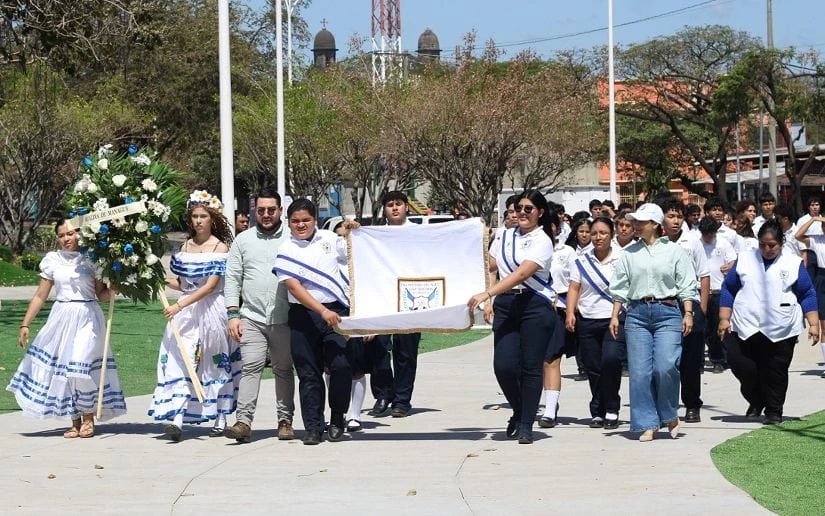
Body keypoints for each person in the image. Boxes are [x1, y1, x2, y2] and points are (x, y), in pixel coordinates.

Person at [7, 220, 126, 438]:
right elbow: (40, 295)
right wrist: (25, 323)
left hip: (88, 316)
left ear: (81, 234)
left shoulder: (93, 259)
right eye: (62, 235)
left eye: (70, 233)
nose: (66, 238)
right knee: (63, 369)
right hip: (61, 317)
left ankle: (89, 416)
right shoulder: (53, 260)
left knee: (79, 365)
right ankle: (75, 420)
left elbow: (101, 295)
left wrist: (114, 288)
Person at [468, 190, 560, 444]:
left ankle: (527, 424)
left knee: (531, 367)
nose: (521, 213)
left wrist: (487, 293)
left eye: (528, 209)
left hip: (534, 304)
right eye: (518, 208)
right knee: (504, 365)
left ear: (540, 213)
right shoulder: (504, 236)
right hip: (507, 303)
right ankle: (519, 411)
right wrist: (491, 300)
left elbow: (521, 275)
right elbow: (491, 267)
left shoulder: (543, 240)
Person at [149, 192, 239, 442]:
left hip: (211, 310)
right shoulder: (185, 246)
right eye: (195, 216)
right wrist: (152, 275)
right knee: (180, 357)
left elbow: (211, 285)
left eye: (204, 216)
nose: (199, 221)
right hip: (185, 311)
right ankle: (176, 418)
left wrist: (181, 306)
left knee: (214, 362)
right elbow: (180, 283)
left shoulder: (220, 248)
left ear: (213, 219)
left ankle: (220, 416)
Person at [608, 203, 697, 442]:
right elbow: (620, 287)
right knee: (639, 372)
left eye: (641, 222)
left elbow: (687, 283)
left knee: (666, 366)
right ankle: (647, 422)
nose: (635, 225)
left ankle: (669, 414)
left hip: (667, 311)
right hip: (636, 313)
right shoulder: (629, 253)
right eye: (634, 221)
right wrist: (615, 315)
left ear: (655, 225)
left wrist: (688, 313)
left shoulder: (674, 251)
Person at [719, 221, 819, 424]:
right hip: (746, 324)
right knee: (740, 364)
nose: (767, 249)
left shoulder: (793, 262)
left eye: (772, 245)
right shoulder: (745, 259)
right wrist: (723, 318)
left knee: (776, 369)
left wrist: (814, 323)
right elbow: (729, 288)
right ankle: (756, 399)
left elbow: (807, 293)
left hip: (781, 326)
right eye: (762, 245)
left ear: (781, 243)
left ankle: (774, 411)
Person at [273, 198, 354, 445]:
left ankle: (338, 417)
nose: (301, 225)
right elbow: (294, 288)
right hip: (304, 315)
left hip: (336, 311)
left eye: (306, 220)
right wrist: (321, 312)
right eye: (295, 221)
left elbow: (354, 252)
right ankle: (313, 426)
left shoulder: (330, 239)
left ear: (314, 220)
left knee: (341, 366)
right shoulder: (286, 249)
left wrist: (355, 231)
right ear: (288, 223)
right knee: (309, 373)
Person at [223, 189, 296, 443]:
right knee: (251, 368)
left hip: (284, 318)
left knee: (283, 369)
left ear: (280, 211)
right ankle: (243, 422)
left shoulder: (292, 237)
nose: (266, 215)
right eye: (261, 210)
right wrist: (233, 313)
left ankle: (285, 420)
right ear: (255, 211)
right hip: (251, 317)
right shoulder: (243, 241)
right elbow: (232, 278)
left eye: (271, 210)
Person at [365, 191, 424, 419]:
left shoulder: (420, 233)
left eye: (398, 204)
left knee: (406, 351)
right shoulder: (375, 235)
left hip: (412, 297)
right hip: (383, 296)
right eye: (390, 205)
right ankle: (382, 395)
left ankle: (402, 400)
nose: (395, 208)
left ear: (407, 207)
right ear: (384, 209)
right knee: (378, 346)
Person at [565, 216, 625, 429]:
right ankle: (598, 409)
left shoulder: (622, 257)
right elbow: (574, 287)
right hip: (587, 319)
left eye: (603, 233)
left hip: (614, 319)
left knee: (611, 361)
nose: (598, 238)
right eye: (594, 233)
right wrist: (570, 312)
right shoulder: (580, 259)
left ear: (612, 235)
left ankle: (612, 407)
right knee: (593, 367)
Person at [660, 198, 710, 423]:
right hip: (665, 304)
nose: (676, 221)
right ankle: (665, 406)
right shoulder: (656, 242)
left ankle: (692, 404)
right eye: (671, 216)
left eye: (679, 216)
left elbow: (704, 275)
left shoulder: (693, 241)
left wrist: (702, 309)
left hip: (690, 303)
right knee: (666, 360)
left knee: (690, 359)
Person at [540, 212, 576, 428]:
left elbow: (574, 282)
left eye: (550, 225)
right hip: (531, 308)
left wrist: (572, 311)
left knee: (551, 359)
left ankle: (550, 409)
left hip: (557, 307)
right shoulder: (524, 247)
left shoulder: (567, 252)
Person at [699, 216, 737, 373]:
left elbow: (734, 260)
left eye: (711, 234)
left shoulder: (723, 242)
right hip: (699, 291)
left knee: (717, 327)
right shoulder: (696, 243)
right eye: (706, 235)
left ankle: (718, 359)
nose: (708, 238)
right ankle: (698, 361)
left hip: (718, 290)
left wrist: (730, 265)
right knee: (700, 328)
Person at [794, 214, 825, 365]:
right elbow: (798, 235)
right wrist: (813, 220)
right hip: (822, 277)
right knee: (824, 324)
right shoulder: (817, 240)